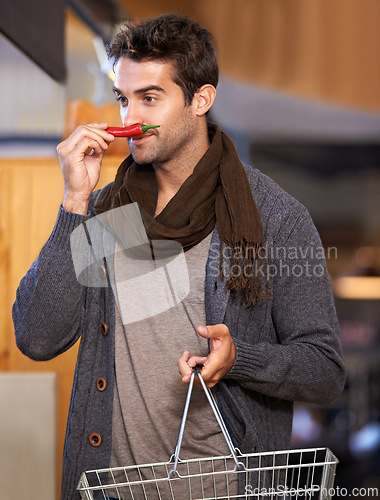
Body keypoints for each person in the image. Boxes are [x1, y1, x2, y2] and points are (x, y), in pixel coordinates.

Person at [12, 13, 346, 500]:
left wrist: (240, 359)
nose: (130, 119)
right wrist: (74, 204)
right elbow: (38, 337)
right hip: (113, 490)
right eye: (124, 99)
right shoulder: (111, 210)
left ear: (201, 100)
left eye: (150, 98)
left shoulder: (274, 218)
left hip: (223, 491)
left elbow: (324, 370)